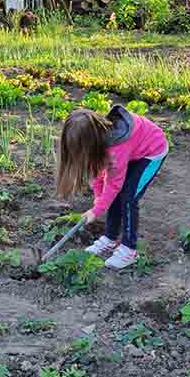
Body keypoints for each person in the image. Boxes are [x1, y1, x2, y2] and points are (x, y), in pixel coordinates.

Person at [56, 105, 169, 269]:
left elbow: (114, 183)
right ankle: (110, 238)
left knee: (128, 197)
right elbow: (97, 172)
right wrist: (98, 196)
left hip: (152, 151)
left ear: (92, 142)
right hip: (134, 149)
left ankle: (129, 250)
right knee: (113, 196)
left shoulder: (116, 148)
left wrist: (97, 211)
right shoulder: (99, 139)